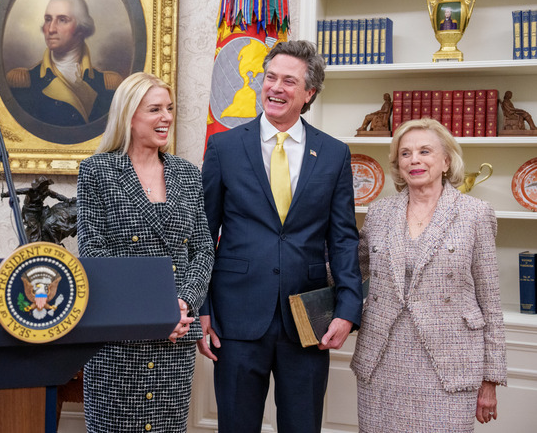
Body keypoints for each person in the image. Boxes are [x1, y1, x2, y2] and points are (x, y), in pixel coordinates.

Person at [198, 40, 362, 432]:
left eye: (289, 81)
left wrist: (347, 308)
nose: (275, 87)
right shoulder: (224, 147)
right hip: (235, 319)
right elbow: (204, 233)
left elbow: (343, 239)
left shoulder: (335, 154)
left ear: (309, 94)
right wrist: (202, 308)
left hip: (307, 322)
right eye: (270, 77)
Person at [76, 72, 215, 432]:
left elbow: (202, 250)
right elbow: (93, 252)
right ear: (128, 116)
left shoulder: (187, 173)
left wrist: (183, 302)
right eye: (155, 109)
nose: (166, 117)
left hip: (177, 338)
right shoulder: (98, 171)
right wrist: (154, 311)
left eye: (169, 108)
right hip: (118, 340)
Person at [351, 118, 507, 432]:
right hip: (383, 361)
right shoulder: (379, 213)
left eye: (425, 151)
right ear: (397, 164)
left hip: (451, 365)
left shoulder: (476, 213)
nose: (415, 160)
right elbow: (352, 270)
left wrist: (490, 379)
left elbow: (490, 300)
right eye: (405, 154)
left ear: (447, 160)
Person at [7, 0, 123, 126]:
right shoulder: (23, 83)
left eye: (62, 20)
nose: (51, 29)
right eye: (48, 19)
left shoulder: (108, 85)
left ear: (81, 28)